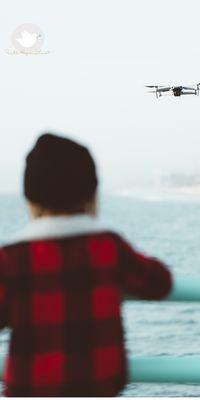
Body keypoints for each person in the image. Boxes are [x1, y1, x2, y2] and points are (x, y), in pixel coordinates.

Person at [0, 133, 172, 396]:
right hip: (99, 388)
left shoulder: (11, 258)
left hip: (31, 389)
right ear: (92, 196)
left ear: (30, 202)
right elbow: (159, 283)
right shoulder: (108, 246)